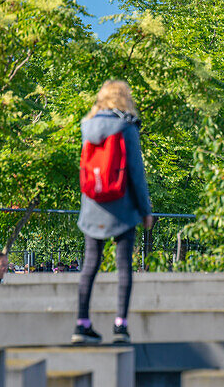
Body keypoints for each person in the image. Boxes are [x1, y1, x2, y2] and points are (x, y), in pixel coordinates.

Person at [73, 79, 153, 345]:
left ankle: (81, 324)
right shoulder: (126, 126)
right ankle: (120, 325)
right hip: (123, 207)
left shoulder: (87, 126)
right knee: (123, 266)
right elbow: (136, 173)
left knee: (89, 265)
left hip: (92, 205)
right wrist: (145, 210)